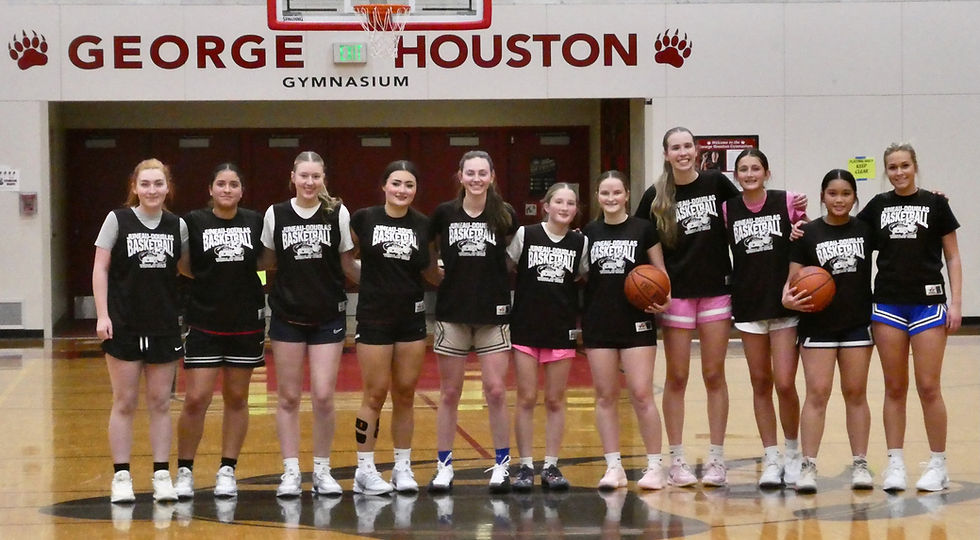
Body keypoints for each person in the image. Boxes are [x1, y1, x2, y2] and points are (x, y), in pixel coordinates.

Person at [634, 127, 740, 487]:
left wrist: (791, 213)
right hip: (675, 295)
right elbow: (638, 238)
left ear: (696, 151)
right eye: (675, 148)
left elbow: (747, 215)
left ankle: (716, 459)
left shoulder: (716, 183)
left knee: (714, 375)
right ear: (666, 154)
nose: (682, 152)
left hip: (715, 290)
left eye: (687, 146)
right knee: (677, 377)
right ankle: (677, 460)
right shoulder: (656, 195)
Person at [856, 143, 961, 492]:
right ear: (886, 171)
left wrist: (956, 303)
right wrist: (803, 228)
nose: (899, 172)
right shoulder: (877, 206)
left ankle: (938, 464)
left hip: (928, 304)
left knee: (929, 387)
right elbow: (847, 233)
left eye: (904, 165)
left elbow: (953, 256)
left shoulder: (936, 204)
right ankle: (895, 463)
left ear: (915, 166)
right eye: (892, 167)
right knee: (894, 387)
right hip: (888, 304)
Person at [260, 151, 357, 497]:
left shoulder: (337, 213)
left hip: (328, 316)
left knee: (323, 396)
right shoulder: (275, 214)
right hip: (287, 316)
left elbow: (348, 264)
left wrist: (385, 281)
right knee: (288, 397)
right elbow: (266, 262)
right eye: (304, 176)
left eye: (316, 176)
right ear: (293, 177)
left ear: (323, 179)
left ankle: (322, 469)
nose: (310, 182)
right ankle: (290, 471)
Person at [92, 158, 188, 503]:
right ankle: (121, 476)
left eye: (158, 183)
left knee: (161, 402)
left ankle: (162, 475)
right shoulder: (117, 220)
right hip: (124, 324)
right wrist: (102, 315)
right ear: (134, 186)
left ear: (167, 187)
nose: (152, 190)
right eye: (145, 183)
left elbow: (188, 269)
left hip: (163, 324)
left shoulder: (177, 225)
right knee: (125, 401)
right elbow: (100, 268)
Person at [427, 150, 519, 493]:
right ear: (461, 176)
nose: (477, 179)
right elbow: (428, 246)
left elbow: (514, 254)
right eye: (471, 173)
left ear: (492, 176)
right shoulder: (444, 213)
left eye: (483, 173)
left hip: (493, 314)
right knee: (450, 392)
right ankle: (444, 466)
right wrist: (434, 271)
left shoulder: (505, 214)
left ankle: (501, 464)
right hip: (452, 313)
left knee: (495, 390)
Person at [174, 163, 265, 499]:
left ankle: (228, 469)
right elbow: (184, 265)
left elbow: (265, 261)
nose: (227, 190)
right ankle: (185, 470)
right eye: (221, 184)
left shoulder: (255, 221)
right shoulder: (193, 221)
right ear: (210, 189)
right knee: (196, 398)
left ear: (242, 191)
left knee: (237, 397)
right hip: (204, 320)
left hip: (245, 321)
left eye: (234, 184)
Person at [782, 169, 874, 494]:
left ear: (855, 197)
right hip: (817, 324)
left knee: (856, 394)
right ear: (822, 196)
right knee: (817, 394)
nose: (839, 199)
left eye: (846, 193)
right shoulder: (806, 233)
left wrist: (935, 199)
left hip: (856, 323)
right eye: (832, 193)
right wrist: (787, 298)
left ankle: (860, 464)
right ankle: (808, 466)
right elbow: (792, 281)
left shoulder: (866, 229)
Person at [723, 149, 806, 488]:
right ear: (736, 176)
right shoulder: (728, 209)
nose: (749, 174)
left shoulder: (786, 201)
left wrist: (801, 228)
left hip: (784, 303)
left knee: (785, 383)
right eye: (743, 169)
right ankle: (771, 457)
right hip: (748, 303)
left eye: (755, 168)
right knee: (760, 383)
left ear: (766, 173)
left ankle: (793, 452)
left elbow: (806, 237)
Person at [348, 160, 432, 495]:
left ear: (416, 189)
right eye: (396, 183)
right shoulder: (364, 218)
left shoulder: (423, 224)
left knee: (406, 394)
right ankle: (364, 469)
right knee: (374, 394)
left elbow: (430, 270)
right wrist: (369, 283)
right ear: (384, 185)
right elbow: (345, 258)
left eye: (409, 185)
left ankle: (402, 467)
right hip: (374, 317)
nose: (402, 190)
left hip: (411, 318)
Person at [583, 170, 669, 490]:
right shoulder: (588, 232)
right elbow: (581, 275)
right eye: (605, 193)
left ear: (627, 195)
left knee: (642, 394)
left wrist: (665, 298)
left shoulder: (643, 229)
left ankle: (655, 466)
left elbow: (660, 273)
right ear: (597, 196)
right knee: (605, 396)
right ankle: (613, 467)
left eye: (616, 192)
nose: (611, 198)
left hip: (637, 321)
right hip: (599, 321)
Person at [506, 183, 587, 491]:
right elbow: (506, 267)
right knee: (526, 398)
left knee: (555, 399)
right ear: (547, 206)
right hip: (526, 326)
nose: (565, 207)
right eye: (559, 202)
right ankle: (526, 466)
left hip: (561, 327)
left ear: (575, 209)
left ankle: (551, 465)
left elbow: (585, 276)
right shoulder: (526, 235)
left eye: (570, 203)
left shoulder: (581, 242)